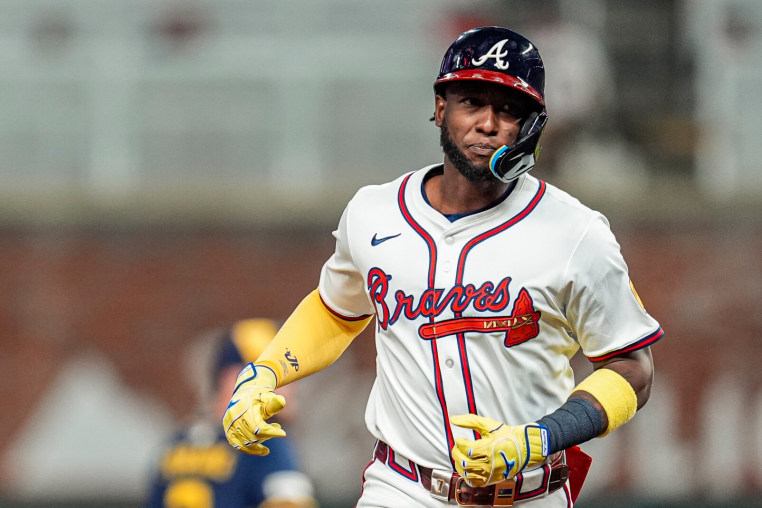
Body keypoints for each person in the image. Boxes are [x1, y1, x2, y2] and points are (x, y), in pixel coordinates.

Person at [222, 26, 663, 507]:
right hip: (402, 487)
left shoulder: (577, 233)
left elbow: (631, 368)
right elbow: (334, 311)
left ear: (532, 126)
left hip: (529, 494)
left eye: (509, 109)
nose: (488, 123)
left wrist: (538, 438)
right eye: (472, 101)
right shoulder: (374, 213)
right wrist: (262, 374)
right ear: (440, 108)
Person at [146, 319, 316, 508]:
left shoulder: (174, 444)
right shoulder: (265, 444)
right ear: (234, 378)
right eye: (276, 373)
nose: (291, 385)